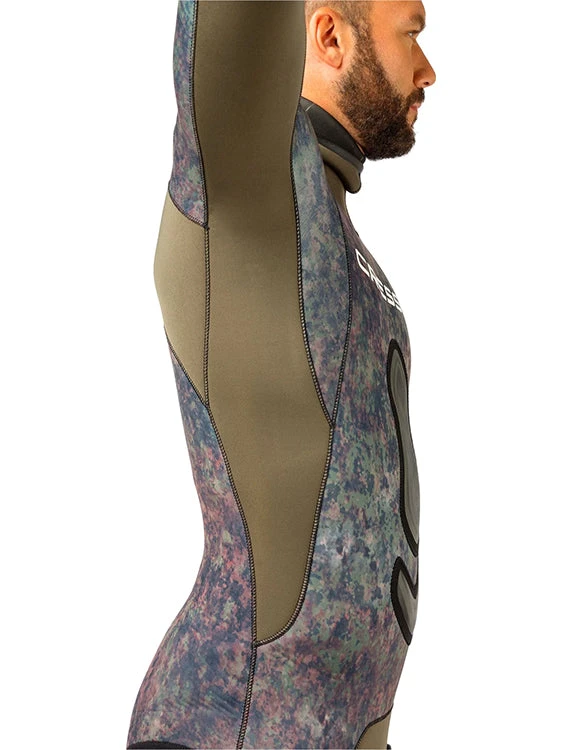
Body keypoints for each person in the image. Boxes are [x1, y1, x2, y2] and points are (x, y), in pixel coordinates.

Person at [126, 2, 436, 748]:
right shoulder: (251, 187)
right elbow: (227, 34)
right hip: (222, 723)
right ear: (329, 34)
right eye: (413, 34)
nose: (429, 71)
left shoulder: (338, 240)